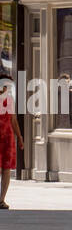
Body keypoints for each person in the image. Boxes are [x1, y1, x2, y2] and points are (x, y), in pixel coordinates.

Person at [0, 77, 21, 210]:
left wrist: (19, 136)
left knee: (6, 169)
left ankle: (1, 199)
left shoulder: (10, 100)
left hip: (7, 137)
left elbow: (13, 120)